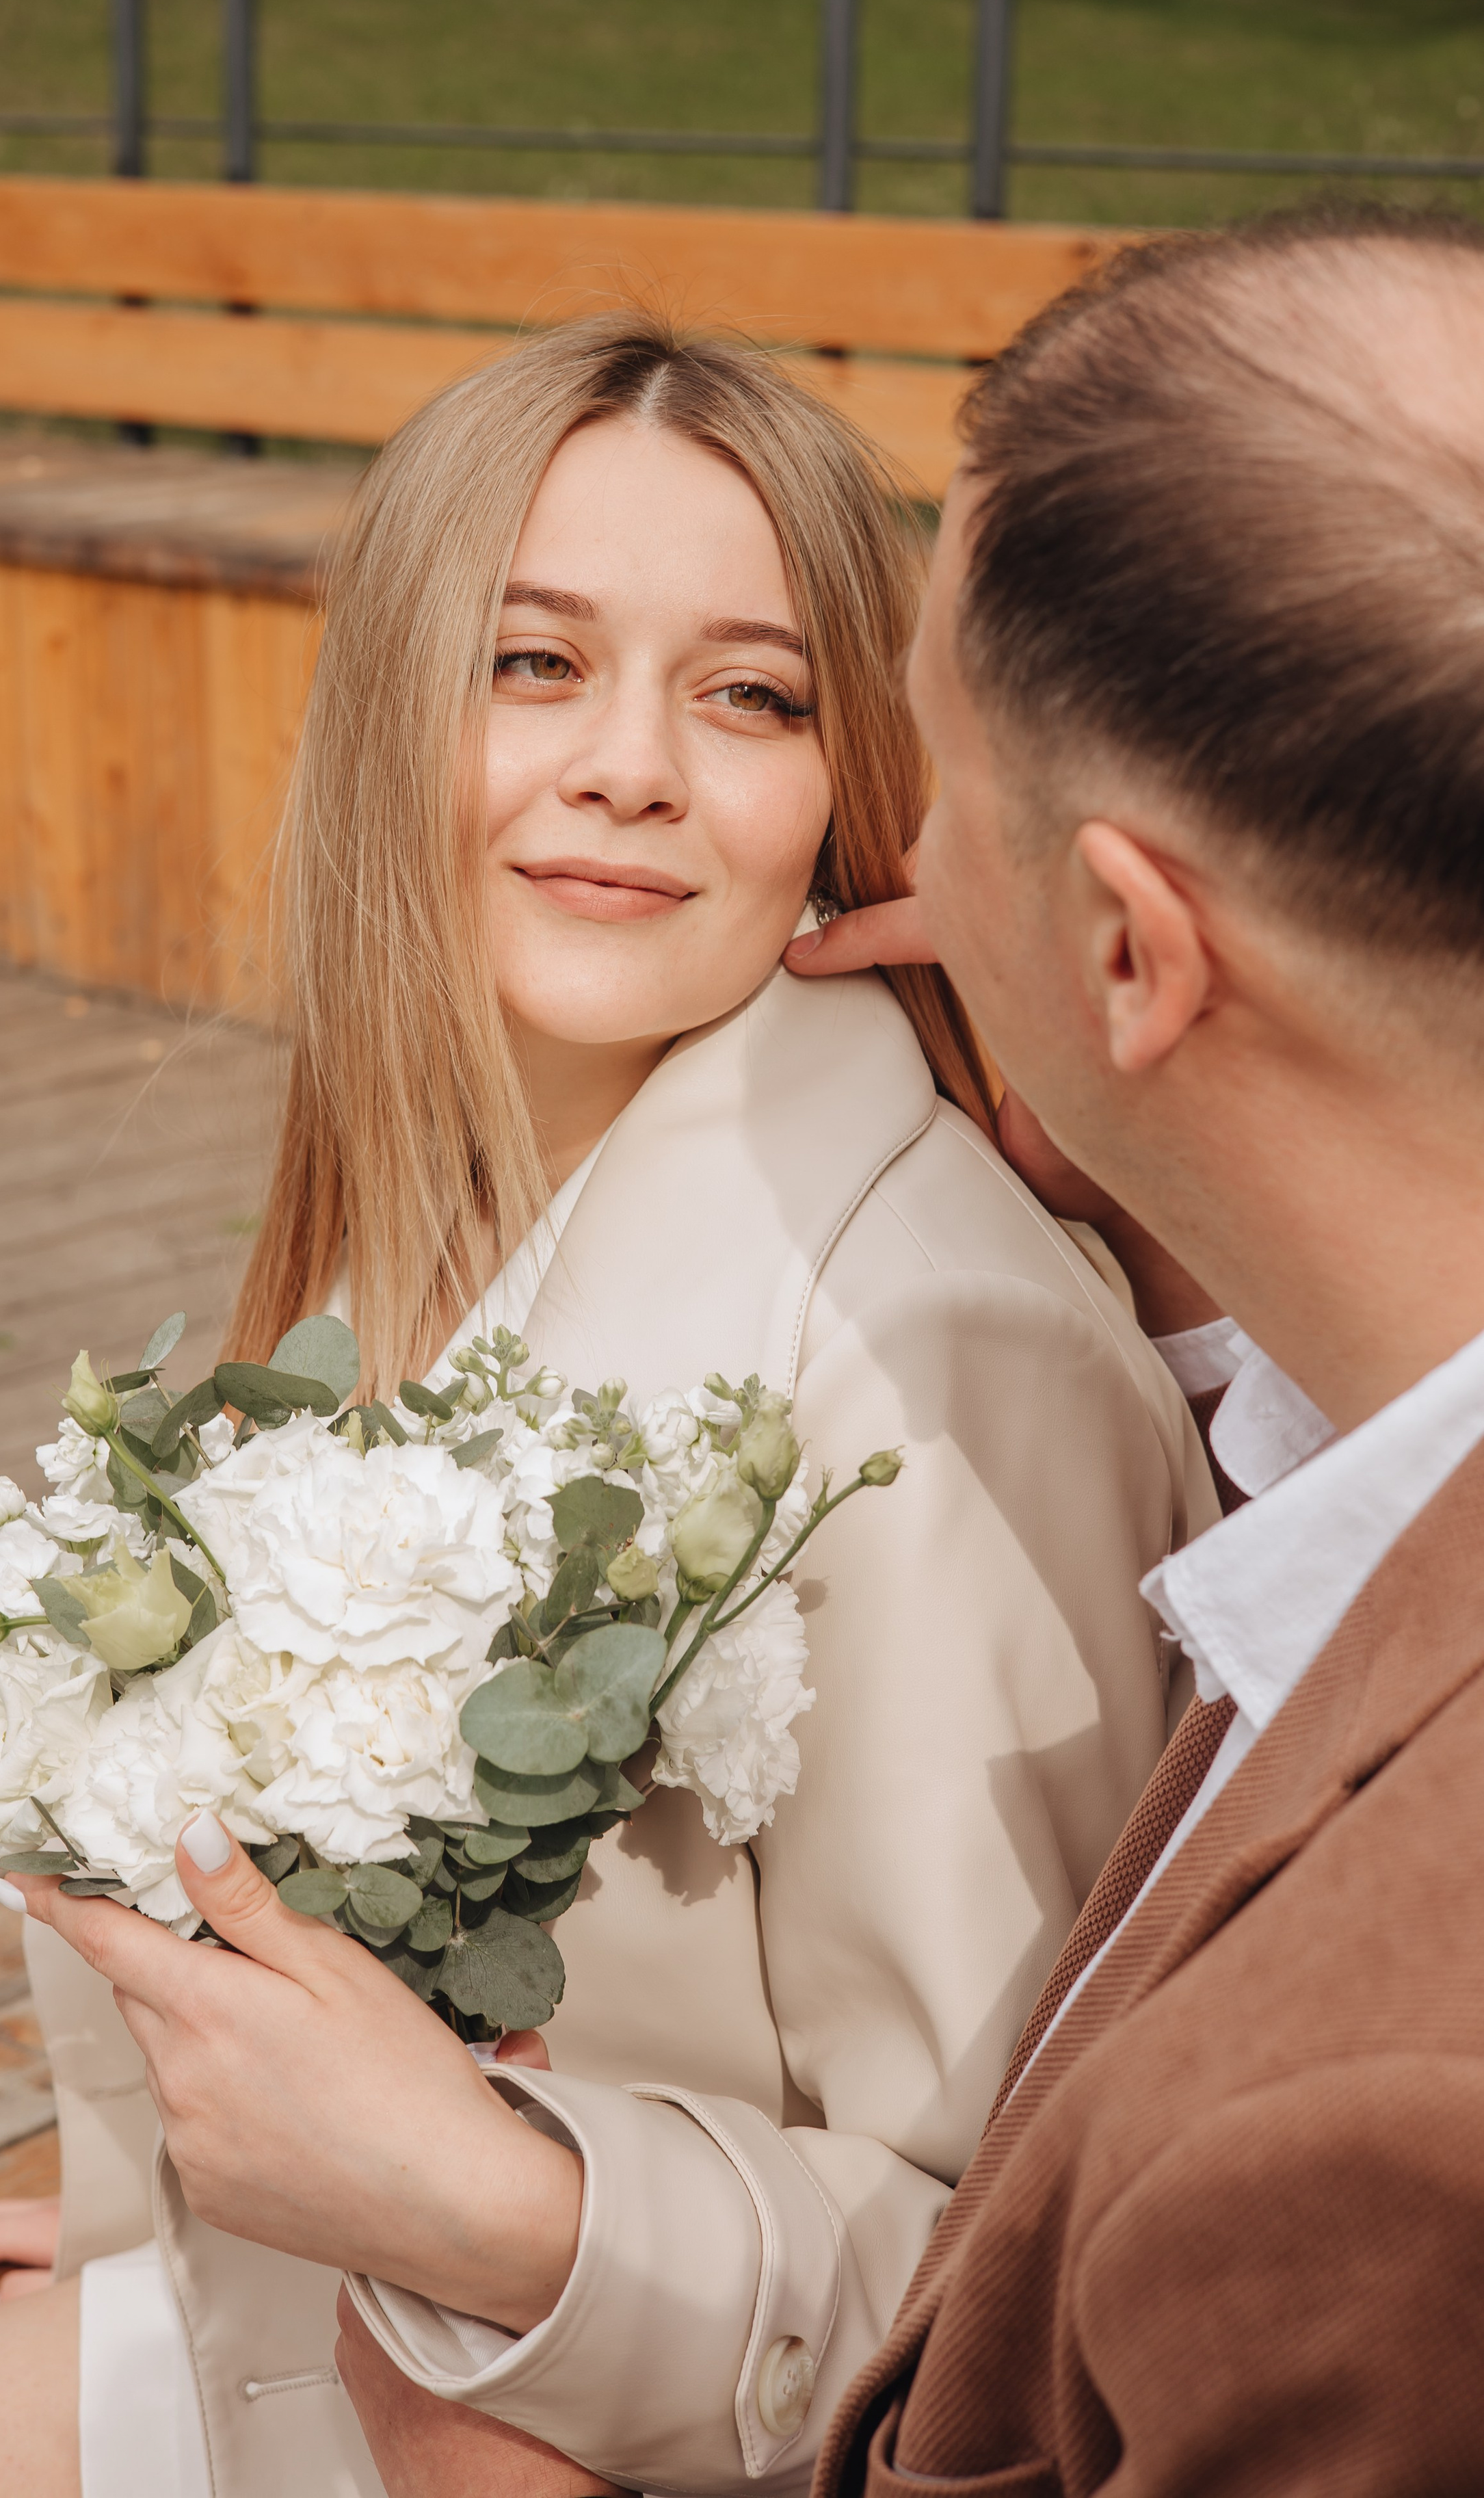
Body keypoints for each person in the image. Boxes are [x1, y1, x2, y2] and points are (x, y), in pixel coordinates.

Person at [0, 316, 1215, 2494]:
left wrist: (497, 2223)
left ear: (848, 788)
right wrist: (219, 2225)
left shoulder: (928, 1349)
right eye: (535, 664)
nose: (633, 766)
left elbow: (1020, 2277)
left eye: (753, 693)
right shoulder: (393, 1243)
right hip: (314, 2340)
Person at [344, 204, 1484, 2495]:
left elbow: (972, 2242)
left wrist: (463, 2246)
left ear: (1130, 951)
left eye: (928, 775)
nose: (895, 870)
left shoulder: (1384, 2139)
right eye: (527, 661)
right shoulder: (1284, 1455)